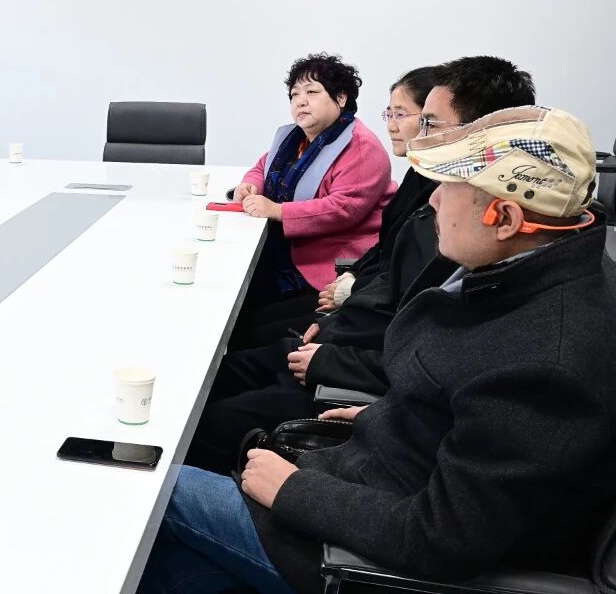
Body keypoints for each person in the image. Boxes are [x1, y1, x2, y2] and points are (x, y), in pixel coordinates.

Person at [140, 105, 615, 594]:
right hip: (374, 478)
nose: (433, 202)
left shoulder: (549, 365)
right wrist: (392, 414)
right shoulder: (543, 271)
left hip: (352, 552)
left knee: (147, 493)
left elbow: (444, 537)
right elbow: (470, 407)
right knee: (172, 567)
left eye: (449, 188)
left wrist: (292, 490)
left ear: (506, 218)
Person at [187, 56, 537, 475]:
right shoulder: (434, 192)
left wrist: (332, 351)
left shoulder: (471, 235)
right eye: (295, 94)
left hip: (349, 373)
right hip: (349, 344)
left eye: (425, 122)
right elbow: (394, 288)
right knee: (209, 376)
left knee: (200, 421)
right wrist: (339, 316)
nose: (403, 129)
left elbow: (429, 352)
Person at [230, 54, 394, 344]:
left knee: (247, 328)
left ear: (341, 97)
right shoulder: (296, 139)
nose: (300, 101)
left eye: (312, 92)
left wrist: (278, 210)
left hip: (330, 269)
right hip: (287, 255)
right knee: (233, 304)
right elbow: (262, 167)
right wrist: (250, 185)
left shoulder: (360, 146)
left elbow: (343, 209)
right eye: (294, 94)